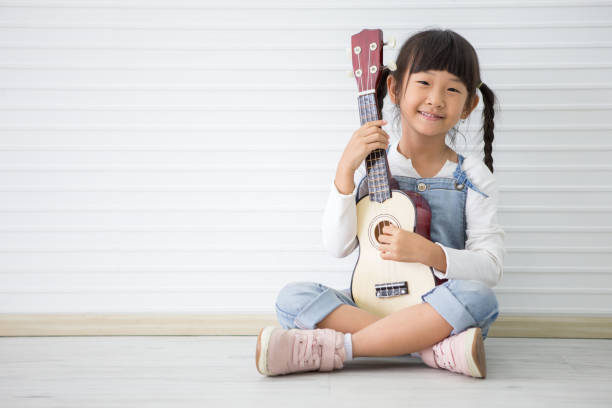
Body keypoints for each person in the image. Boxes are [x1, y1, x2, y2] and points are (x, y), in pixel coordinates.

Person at [255, 28, 504, 379]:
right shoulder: (376, 166)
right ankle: (433, 351)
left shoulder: (473, 176)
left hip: (434, 310)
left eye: (451, 89)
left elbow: (490, 268)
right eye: (424, 83)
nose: (436, 98)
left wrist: (430, 253)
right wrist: (344, 170)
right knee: (291, 297)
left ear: (469, 105)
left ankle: (340, 349)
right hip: (371, 304)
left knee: (480, 299)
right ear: (394, 89)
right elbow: (337, 246)